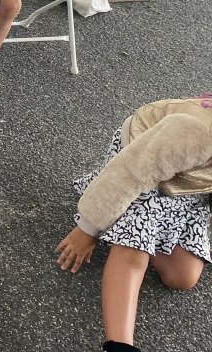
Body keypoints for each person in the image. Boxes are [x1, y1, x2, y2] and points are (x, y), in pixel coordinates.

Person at [55, 96, 212, 352]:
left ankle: (132, 224)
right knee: (135, 244)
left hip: (189, 180)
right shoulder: (196, 131)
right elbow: (129, 173)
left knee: (182, 277)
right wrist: (87, 229)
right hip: (141, 156)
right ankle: (119, 345)